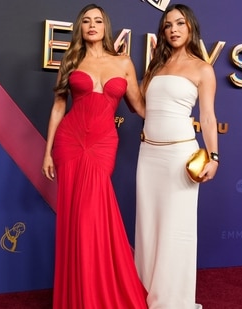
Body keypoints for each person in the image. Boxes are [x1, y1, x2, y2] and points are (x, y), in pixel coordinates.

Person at [41, 3, 147, 308]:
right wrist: (47, 152)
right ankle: (79, 296)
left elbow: (138, 106)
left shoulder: (123, 62)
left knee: (92, 215)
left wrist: (172, 121)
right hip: (70, 142)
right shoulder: (71, 60)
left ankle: (99, 291)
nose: (91, 25)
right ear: (80, 27)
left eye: (97, 21)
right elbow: (59, 107)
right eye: (86, 21)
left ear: (105, 27)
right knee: (76, 218)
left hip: (102, 144)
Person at [135, 4, 219, 309]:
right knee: (148, 226)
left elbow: (207, 117)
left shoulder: (202, 68)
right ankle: (143, 292)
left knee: (176, 229)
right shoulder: (155, 66)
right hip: (148, 155)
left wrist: (214, 157)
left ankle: (172, 301)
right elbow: (143, 108)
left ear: (190, 27)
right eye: (168, 24)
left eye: (180, 23)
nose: (173, 29)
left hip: (179, 157)